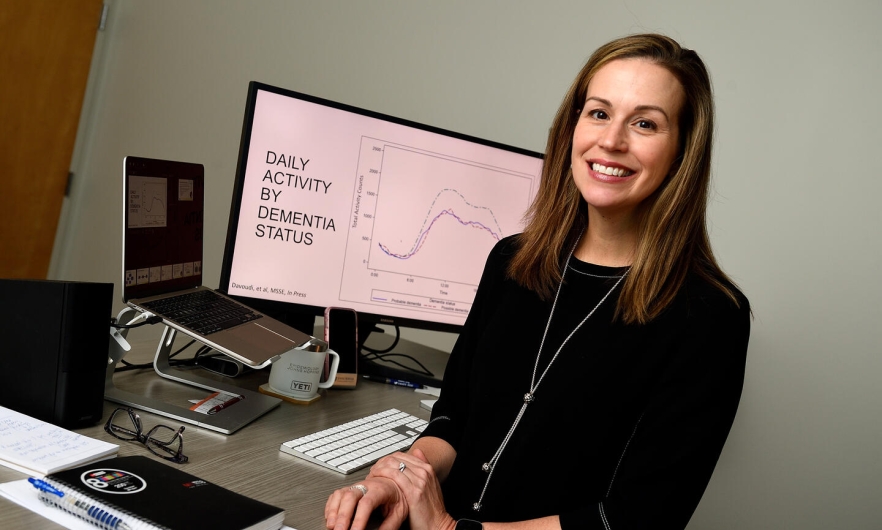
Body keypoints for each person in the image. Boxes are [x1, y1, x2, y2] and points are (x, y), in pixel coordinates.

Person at [325, 33, 751, 530]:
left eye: (645, 123)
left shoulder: (709, 315)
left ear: (682, 152)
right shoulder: (511, 260)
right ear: (571, 126)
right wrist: (400, 479)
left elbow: (638, 517)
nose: (611, 140)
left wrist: (451, 529)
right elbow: (454, 418)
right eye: (598, 113)